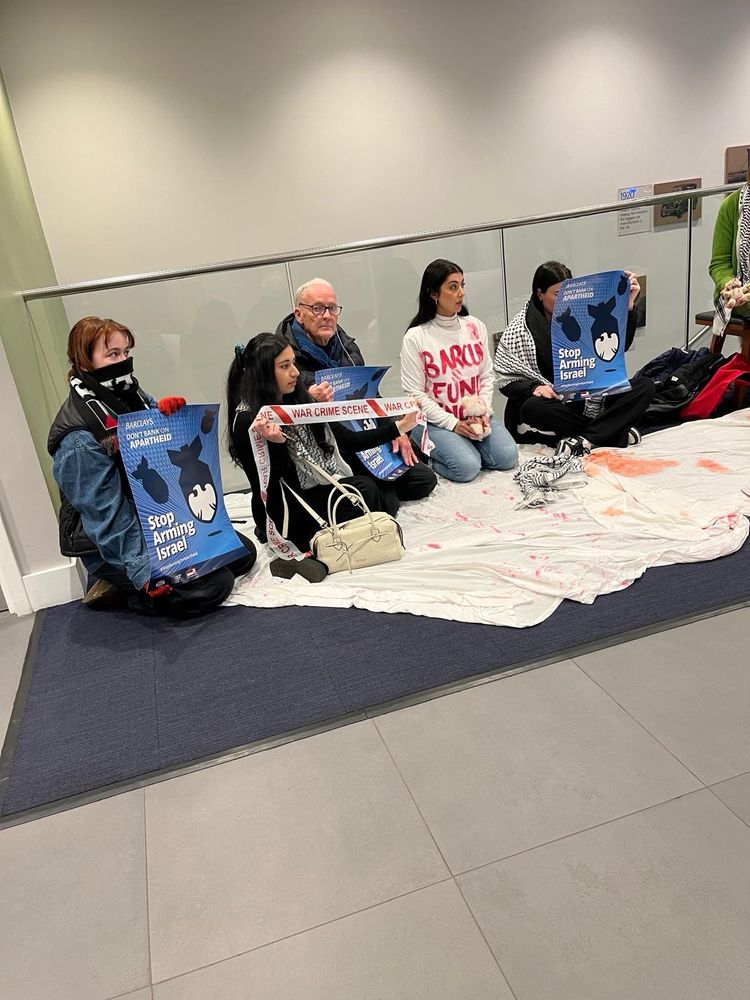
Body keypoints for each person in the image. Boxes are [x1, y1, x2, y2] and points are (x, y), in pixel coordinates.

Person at [48, 316, 256, 616]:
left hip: (156, 522)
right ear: (85, 361)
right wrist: (144, 570)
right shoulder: (78, 440)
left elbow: (155, 445)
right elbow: (105, 516)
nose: (123, 361)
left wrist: (165, 415)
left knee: (242, 555)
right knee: (214, 586)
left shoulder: (127, 393)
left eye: (126, 353)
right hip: (113, 543)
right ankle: (122, 593)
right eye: (112, 354)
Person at [227, 332, 419, 583]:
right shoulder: (247, 420)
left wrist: (397, 428)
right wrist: (276, 445)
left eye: (293, 363)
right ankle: (299, 554)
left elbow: (346, 439)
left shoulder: (297, 398)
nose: (295, 372)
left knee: (374, 489)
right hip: (282, 508)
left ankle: (326, 543)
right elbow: (267, 488)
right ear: (264, 373)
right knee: (369, 493)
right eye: (285, 366)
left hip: (316, 488)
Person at [276, 278, 436, 513]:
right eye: (317, 308)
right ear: (299, 314)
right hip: (332, 445)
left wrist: (395, 429)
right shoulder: (284, 354)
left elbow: (370, 396)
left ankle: (380, 487)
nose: (327, 315)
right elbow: (279, 404)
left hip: (364, 432)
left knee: (424, 479)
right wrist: (307, 397)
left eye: (332, 308)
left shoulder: (346, 345)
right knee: (385, 503)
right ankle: (377, 491)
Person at [494, 261, 655, 457]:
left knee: (645, 386)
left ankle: (585, 439)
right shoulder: (520, 329)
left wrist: (628, 306)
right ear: (539, 294)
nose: (564, 300)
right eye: (557, 294)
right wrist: (534, 387)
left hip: (593, 394)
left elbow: (617, 348)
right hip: (555, 404)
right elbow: (506, 380)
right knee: (531, 408)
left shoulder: (585, 311)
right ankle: (611, 433)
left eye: (567, 293)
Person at [400, 259, 518, 482]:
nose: (461, 293)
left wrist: (483, 411)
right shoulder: (416, 337)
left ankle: (468, 447)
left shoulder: (475, 326)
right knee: (466, 468)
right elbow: (415, 394)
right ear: (434, 293)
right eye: (453, 287)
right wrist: (453, 424)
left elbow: (486, 375)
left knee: (507, 457)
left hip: (474, 416)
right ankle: (427, 453)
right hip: (434, 422)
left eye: (462, 285)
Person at [709, 160, 750, 324]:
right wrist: (729, 284)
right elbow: (719, 263)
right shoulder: (731, 205)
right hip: (740, 297)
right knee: (736, 300)